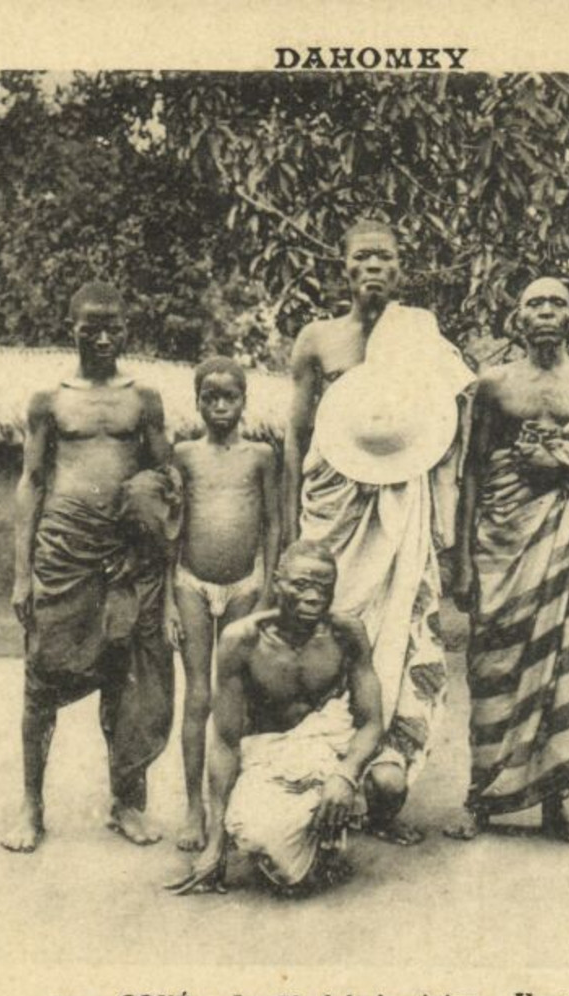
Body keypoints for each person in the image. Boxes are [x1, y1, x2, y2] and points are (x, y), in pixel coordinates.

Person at [283, 219, 474, 845]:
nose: (373, 267)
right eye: (361, 256)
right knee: (324, 622)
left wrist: (444, 508)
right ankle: (319, 769)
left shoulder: (419, 335)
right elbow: (297, 433)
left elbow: (452, 418)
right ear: (344, 267)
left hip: (402, 504)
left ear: (399, 269)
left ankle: (385, 778)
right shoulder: (317, 340)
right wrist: (292, 525)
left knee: (398, 629)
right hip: (332, 507)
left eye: (384, 259)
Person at [445, 277, 569, 843]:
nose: (546, 311)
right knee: (492, 666)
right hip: (503, 540)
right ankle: (481, 796)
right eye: (534, 303)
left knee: (565, 662)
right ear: (518, 318)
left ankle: (555, 804)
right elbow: (473, 471)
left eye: (557, 302)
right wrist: (462, 560)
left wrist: (565, 465)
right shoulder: (493, 385)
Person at [3, 282, 178, 852]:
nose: (103, 336)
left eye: (114, 326)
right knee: (41, 680)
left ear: (127, 327)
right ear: (70, 325)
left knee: (123, 675)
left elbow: (165, 483)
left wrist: (154, 558)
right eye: (90, 325)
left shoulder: (144, 400)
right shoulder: (48, 401)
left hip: (124, 556)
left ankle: (127, 803)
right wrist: (22, 573)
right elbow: (31, 483)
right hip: (62, 552)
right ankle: (31, 806)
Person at [165, 541, 385, 895]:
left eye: (323, 587)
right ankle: (317, 831)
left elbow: (372, 721)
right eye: (301, 584)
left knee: (388, 785)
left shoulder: (347, 633)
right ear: (277, 582)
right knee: (255, 833)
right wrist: (216, 845)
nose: (313, 597)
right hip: (271, 758)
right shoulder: (243, 641)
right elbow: (225, 741)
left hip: (330, 752)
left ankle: (334, 814)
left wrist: (345, 775)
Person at [166, 356, 283, 852]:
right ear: (197, 401)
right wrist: (169, 601)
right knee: (197, 696)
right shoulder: (185, 454)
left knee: (233, 699)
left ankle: (226, 807)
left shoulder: (260, 456)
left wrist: (269, 590)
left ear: (243, 401)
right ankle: (194, 808)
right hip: (191, 583)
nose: (219, 406)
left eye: (228, 396)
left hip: (244, 586)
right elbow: (172, 526)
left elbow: (274, 524)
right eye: (209, 397)